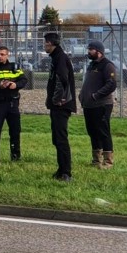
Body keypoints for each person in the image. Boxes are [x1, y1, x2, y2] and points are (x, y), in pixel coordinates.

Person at [79, 40, 118, 169]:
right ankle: (96, 160)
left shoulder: (107, 65)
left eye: (91, 49)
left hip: (102, 105)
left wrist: (96, 95)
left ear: (99, 52)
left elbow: (111, 84)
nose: (88, 51)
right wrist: (82, 96)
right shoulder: (92, 65)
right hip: (89, 106)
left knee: (103, 132)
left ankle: (108, 161)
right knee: (93, 132)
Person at [44, 33, 76, 182]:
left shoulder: (60, 58)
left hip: (62, 105)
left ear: (50, 43)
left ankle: (66, 173)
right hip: (58, 104)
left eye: (45, 43)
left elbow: (61, 80)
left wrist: (56, 100)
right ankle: (61, 169)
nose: (44, 46)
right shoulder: (56, 57)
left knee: (61, 139)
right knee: (56, 138)